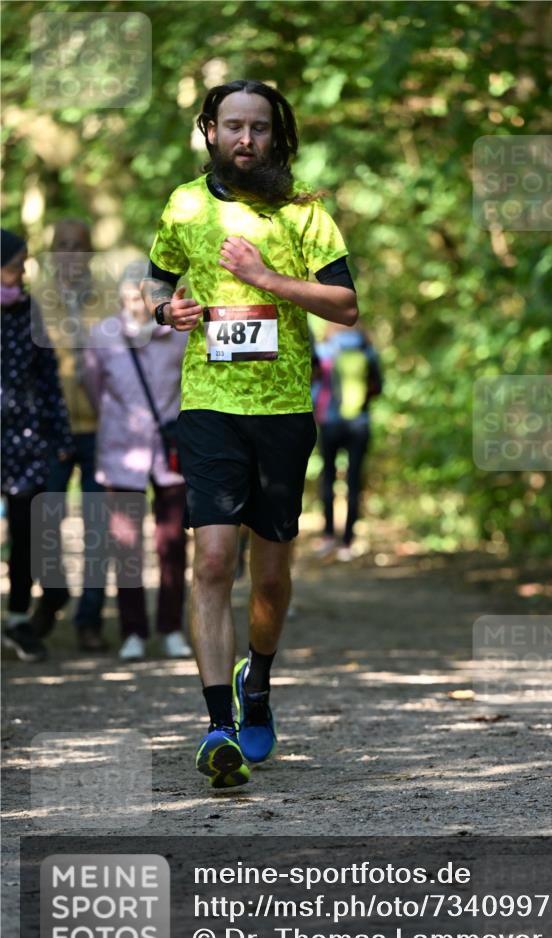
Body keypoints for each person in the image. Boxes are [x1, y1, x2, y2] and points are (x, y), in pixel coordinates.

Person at [141, 79, 358, 789]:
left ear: (275, 135)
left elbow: (345, 305)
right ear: (209, 130)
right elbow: (154, 284)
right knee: (212, 562)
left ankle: (255, 682)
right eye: (232, 126)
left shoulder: (304, 212)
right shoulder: (183, 204)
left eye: (258, 128)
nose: (245, 139)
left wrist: (267, 278)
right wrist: (164, 312)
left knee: (269, 576)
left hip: (284, 411)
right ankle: (218, 727)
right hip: (208, 404)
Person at [83, 260, 192, 662]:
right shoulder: (103, 336)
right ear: (120, 298)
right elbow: (93, 386)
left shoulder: (178, 335)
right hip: (121, 452)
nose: (135, 304)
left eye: (141, 297)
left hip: (171, 452)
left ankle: (171, 628)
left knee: (173, 543)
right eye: (129, 296)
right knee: (126, 547)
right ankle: (133, 631)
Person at [29, 219, 109, 652]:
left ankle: (89, 619)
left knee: (97, 526)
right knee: (45, 521)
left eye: (78, 246)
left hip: (101, 428)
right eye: (62, 245)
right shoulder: (35, 300)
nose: (70, 253)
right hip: (52, 430)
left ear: (90, 252)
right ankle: (52, 594)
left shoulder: (109, 299)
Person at [1, 229, 73, 661]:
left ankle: (17, 619)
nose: (22, 274)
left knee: (27, 534)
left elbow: (48, 380)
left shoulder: (29, 312)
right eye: (15, 265)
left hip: (25, 443)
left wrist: (61, 436)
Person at [312, 323, 382, 560]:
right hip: (359, 424)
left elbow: (315, 385)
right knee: (354, 480)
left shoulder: (325, 350)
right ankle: (348, 541)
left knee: (328, 478)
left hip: (329, 423)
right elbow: (378, 387)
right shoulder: (367, 351)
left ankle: (328, 535)